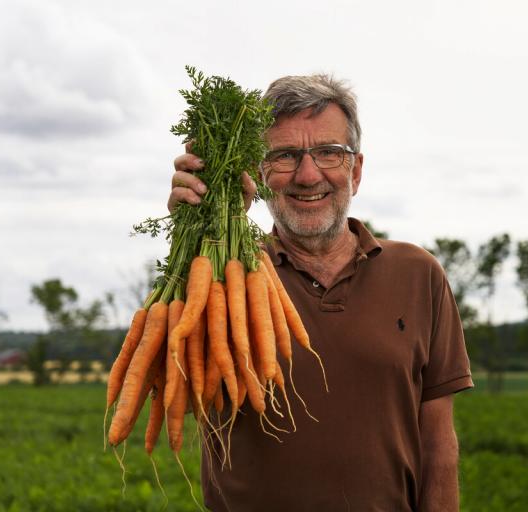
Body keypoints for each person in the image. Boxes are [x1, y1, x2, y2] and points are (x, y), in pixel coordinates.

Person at [168, 74, 473, 511]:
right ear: (259, 172)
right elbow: (176, 374)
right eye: (284, 156)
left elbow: (439, 444)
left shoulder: (418, 274)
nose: (308, 176)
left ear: (357, 169)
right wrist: (192, 230)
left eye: (329, 153)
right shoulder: (222, 276)